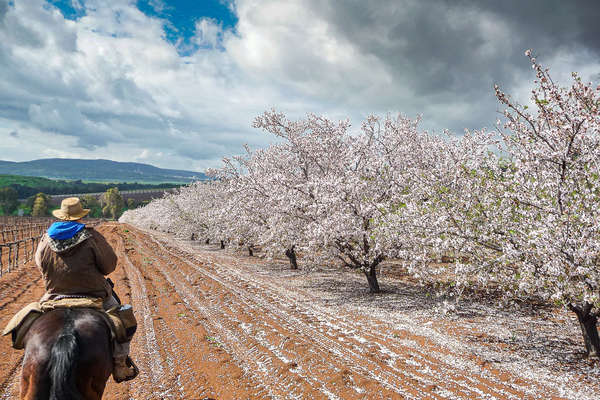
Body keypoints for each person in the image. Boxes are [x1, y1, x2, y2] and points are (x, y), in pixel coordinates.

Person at [34, 197, 137, 382]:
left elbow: (40, 264)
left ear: (62, 216)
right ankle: (120, 365)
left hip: (55, 294)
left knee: (32, 319)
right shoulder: (90, 236)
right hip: (94, 294)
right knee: (125, 320)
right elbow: (109, 266)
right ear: (79, 216)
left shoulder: (46, 237)